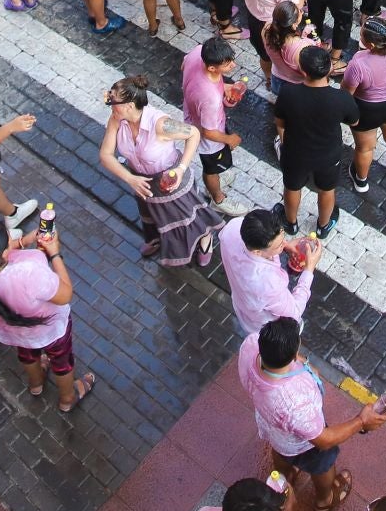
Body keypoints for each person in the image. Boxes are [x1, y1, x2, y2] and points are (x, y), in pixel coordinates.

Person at [238, 317, 384, 511]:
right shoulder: (293, 402)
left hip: (274, 432)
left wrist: (294, 360)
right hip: (303, 443)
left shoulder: (250, 346)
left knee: (281, 453)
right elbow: (324, 440)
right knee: (323, 464)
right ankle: (325, 500)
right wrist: (361, 421)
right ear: (292, 354)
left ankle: (285, 476)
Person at [0, 218, 98, 412]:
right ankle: (67, 398)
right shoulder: (28, 274)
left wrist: (25, 240)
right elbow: (65, 295)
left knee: (26, 353)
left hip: (13, 332)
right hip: (49, 332)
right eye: (10, 240)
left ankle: (36, 383)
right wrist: (55, 253)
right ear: (6, 251)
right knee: (61, 361)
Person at [98, 74, 223, 265]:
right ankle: (154, 239)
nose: (108, 103)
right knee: (150, 215)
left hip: (170, 180)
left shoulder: (160, 124)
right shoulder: (117, 118)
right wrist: (130, 179)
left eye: (111, 101)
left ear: (129, 106)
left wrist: (181, 169)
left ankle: (205, 239)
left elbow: (193, 134)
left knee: (188, 216)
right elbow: (105, 155)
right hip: (142, 182)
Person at [276, 45, 358, 238]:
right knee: (327, 189)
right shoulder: (341, 98)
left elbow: (280, 122)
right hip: (328, 154)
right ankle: (323, 225)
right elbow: (354, 120)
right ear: (330, 68)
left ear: (303, 71)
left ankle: (290, 223)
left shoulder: (288, 93)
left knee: (292, 187)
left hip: (296, 151)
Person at [342, 16, 386, 193]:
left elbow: (346, 92)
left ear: (371, 45)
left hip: (367, 110)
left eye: (362, 37)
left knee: (365, 147)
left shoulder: (358, 63)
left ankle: (361, 181)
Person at [219, 208, 316, 337]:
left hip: (242, 306)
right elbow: (295, 312)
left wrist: (284, 245)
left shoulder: (233, 227)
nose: (283, 245)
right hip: (264, 326)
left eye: (283, 239)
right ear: (257, 252)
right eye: (278, 245)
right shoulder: (268, 283)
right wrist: (309, 270)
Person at [182, 36, 249, 216]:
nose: (232, 66)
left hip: (193, 113)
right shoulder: (209, 98)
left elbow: (184, 66)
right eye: (227, 65)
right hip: (207, 130)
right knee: (211, 167)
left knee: (214, 165)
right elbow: (209, 132)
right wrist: (230, 139)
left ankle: (216, 183)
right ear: (212, 67)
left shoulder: (198, 53)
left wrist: (224, 87)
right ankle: (218, 199)